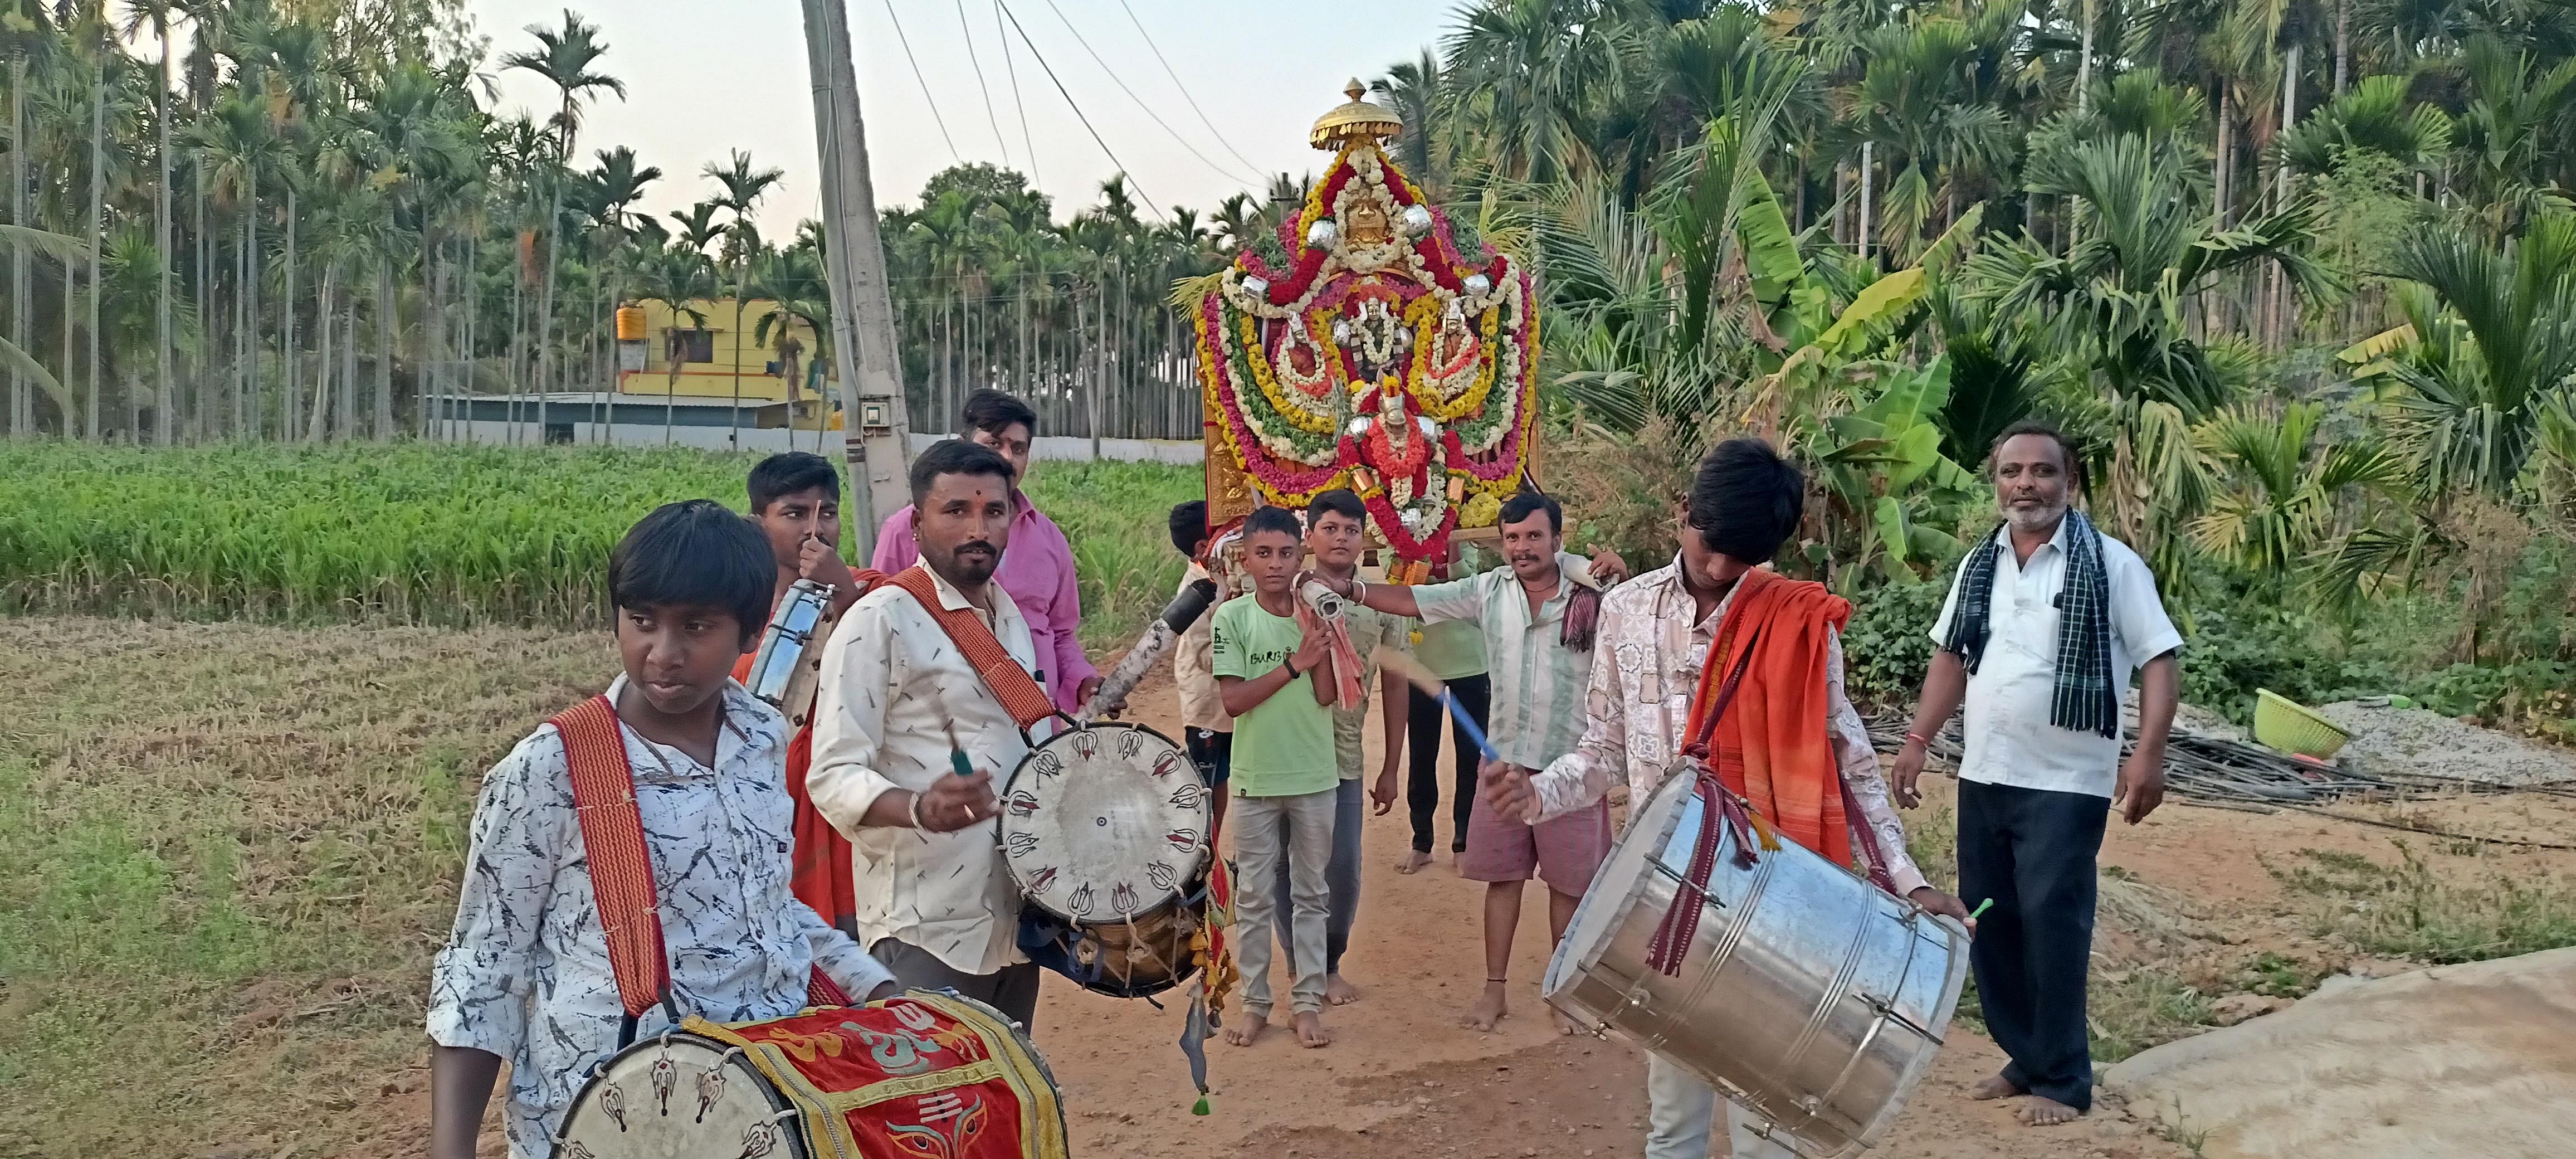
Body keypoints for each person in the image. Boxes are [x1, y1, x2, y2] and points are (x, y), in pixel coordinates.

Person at [1483, 439, 1971, 1159]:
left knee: (1768, 1126)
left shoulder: (1800, 624)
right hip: (1667, 902)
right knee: (1672, 1121)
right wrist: (1537, 793)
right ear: (1685, 510)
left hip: (1776, 905)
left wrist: (1909, 880)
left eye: (1737, 560)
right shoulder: (1623, 612)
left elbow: (1850, 766)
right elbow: (1602, 752)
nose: (1716, 570)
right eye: (1709, 546)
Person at [426, 500, 897, 1159]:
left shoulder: (761, 735)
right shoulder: (554, 768)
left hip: (767, 1108)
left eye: (697, 627)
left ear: (753, 632)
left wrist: (872, 984)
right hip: (608, 1125)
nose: (663, 654)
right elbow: (483, 968)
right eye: (641, 622)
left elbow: (765, 905)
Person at [1890, 420, 2182, 1128]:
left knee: (2053, 924)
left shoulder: (2111, 565)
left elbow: (2159, 659)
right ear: (1995, 484)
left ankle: (2063, 1078)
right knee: (1992, 920)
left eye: (2042, 471)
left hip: (2068, 780)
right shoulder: (1980, 564)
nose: (2026, 484)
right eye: (2011, 471)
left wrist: (2146, 753)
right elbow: (1952, 657)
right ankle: (2023, 1056)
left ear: (2070, 482)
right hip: (1987, 772)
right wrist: (1919, 738)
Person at [1312, 490, 1613, 1034]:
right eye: (1513, 538)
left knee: (1571, 887)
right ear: (1501, 543)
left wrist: (1612, 569)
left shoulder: (1592, 594)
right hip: (1503, 767)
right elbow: (1415, 600)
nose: (1522, 548)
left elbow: (1644, 605)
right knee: (1504, 880)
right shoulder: (1487, 591)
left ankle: (1562, 993)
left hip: (1572, 766)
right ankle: (1494, 992)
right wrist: (1351, 588)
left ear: (1557, 541)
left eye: (1534, 537)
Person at [807, 439, 1050, 1026]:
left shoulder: (1007, 614)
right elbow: (833, 773)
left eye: (993, 512)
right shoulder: (878, 619)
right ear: (916, 525)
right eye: (956, 511)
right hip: (926, 924)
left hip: (1016, 915)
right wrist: (921, 808)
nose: (978, 528)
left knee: (1003, 1100)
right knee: (927, 1105)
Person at [872, 388, 1100, 714]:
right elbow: (883, 628)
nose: (1007, 458)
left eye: (1018, 448)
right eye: (994, 444)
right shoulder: (906, 530)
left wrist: (1082, 680)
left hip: (1035, 726)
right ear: (965, 446)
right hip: (941, 730)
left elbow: (1062, 635)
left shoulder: (1049, 538)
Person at [1212, 505, 1340, 1049]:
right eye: (1263, 553)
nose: (1275, 564)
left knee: (1311, 894)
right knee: (1255, 900)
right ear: (1245, 558)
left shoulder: (1316, 612)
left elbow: (1327, 695)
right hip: (1254, 780)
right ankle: (1256, 1004)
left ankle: (1307, 1003)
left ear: (1300, 555)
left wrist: (1319, 646)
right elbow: (1234, 700)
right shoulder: (1232, 618)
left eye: (1286, 553)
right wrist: (1295, 661)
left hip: (1314, 776)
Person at [1284, 488, 1411, 1007]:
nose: (1340, 538)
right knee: (1284, 868)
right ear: (1309, 535)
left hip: (1345, 760)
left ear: (1364, 540)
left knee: (1342, 868)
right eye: (1329, 528)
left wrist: (1392, 767)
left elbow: (1398, 684)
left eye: (1351, 530)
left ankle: (1330, 962)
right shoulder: (1279, 595)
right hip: (1283, 757)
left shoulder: (1378, 605)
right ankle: (1301, 965)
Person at [738, 451, 870, 936]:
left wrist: (844, 594)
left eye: (828, 513)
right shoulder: (736, 608)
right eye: (795, 514)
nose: (816, 530)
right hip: (767, 804)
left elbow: (897, 672)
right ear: (759, 523)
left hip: (846, 802)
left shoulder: (873, 595)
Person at [1398, 552, 1490, 875]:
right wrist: (1415, 548)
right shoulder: (1394, 530)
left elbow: (1466, 581)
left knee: (1470, 756)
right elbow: (1402, 581)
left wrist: (1451, 545)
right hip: (1422, 662)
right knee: (1423, 755)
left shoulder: (1464, 522)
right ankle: (1421, 842)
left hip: (1471, 661)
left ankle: (1464, 842)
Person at [1168, 499, 1233, 839]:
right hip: (1207, 707)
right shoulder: (1195, 590)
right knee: (1204, 784)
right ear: (1203, 547)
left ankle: (1215, 848)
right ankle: (1199, 855)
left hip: (1228, 704)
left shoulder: (1224, 575)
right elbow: (1203, 653)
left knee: (1220, 780)